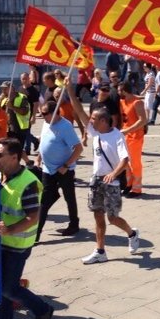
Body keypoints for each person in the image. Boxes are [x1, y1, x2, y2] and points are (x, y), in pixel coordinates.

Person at [0, 138, 54, 319]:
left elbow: (33, 217)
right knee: (0, 286)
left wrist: (10, 229)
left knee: (8, 288)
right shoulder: (0, 176)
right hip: (0, 242)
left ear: (15, 157)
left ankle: (42, 310)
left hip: (17, 244)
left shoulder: (27, 183)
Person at [67, 87, 140, 264]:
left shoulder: (117, 136)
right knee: (97, 215)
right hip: (96, 180)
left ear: (103, 121)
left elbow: (125, 160)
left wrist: (113, 174)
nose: (89, 121)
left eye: (93, 119)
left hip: (112, 182)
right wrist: (69, 90)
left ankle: (132, 233)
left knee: (112, 218)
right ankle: (100, 251)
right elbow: (79, 111)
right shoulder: (96, 132)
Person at [35, 99, 83, 238]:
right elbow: (44, 141)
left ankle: (74, 224)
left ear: (55, 113)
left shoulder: (65, 126)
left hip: (63, 170)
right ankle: (37, 232)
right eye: (41, 113)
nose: (42, 116)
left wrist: (66, 165)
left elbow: (78, 148)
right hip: (48, 169)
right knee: (43, 200)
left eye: (44, 113)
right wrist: (39, 158)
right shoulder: (46, 123)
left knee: (70, 197)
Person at [118, 81, 148, 196]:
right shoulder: (122, 101)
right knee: (124, 161)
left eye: (120, 90)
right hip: (124, 136)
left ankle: (137, 188)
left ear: (124, 91)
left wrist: (127, 130)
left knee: (135, 162)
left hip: (135, 136)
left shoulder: (137, 102)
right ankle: (129, 183)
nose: (118, 92)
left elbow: (143, 120)